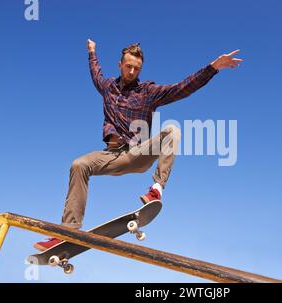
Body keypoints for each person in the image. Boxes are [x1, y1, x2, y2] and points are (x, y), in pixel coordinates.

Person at [34, 40, 243, 251]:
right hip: (112, 155)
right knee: (79, 165)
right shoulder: (107, 88)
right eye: (128, 66)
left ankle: (156, 189)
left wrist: (212, 68)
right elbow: (95, 73)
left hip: (137, 153)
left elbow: (181, 88)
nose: (132, 71)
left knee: (172, 131)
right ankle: (68, 232)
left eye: (137, 68)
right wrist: (92, 52)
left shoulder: (147, 92)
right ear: (120, 64)